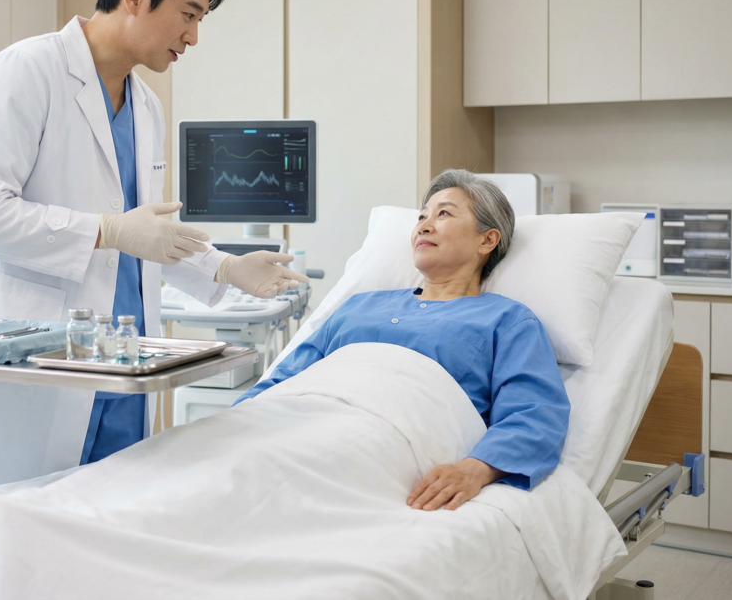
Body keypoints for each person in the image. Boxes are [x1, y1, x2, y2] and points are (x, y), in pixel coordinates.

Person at [0, 0, 307, 487]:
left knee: (110, 514)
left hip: (124, 366)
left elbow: (146, 232)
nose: (193, 37)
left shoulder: (146, 107)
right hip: (39, 359)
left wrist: (226, 267)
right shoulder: (26, 72)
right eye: (189, 14)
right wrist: (105, 230)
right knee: (18, 520)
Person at [236, 169, 570, 511]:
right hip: (299, 425)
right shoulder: (358, 306)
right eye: (422, 217)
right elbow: (283, 381)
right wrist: (234, 422)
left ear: (487, 240)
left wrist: (475, 469)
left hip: (384, 448)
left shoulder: (507, 321)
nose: (424, 226)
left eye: (443, 214)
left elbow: (534, 414)